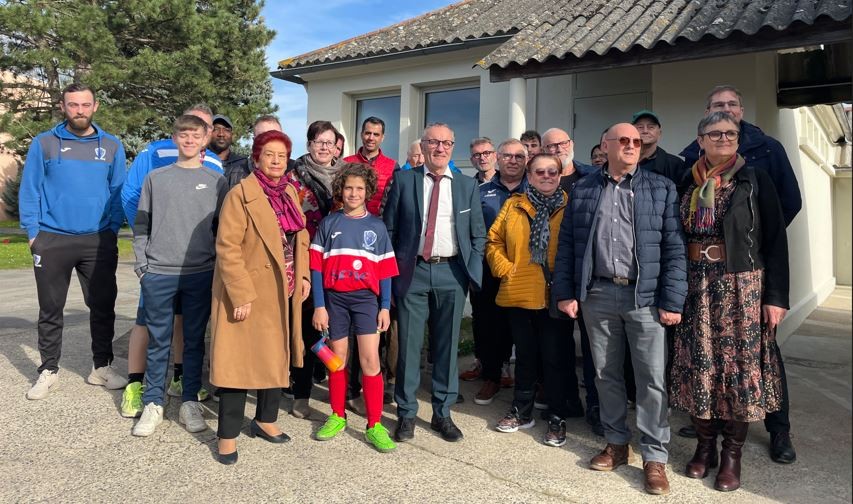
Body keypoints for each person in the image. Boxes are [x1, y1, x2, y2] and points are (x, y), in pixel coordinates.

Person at [553, 123, 687, 496]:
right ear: (606, 145)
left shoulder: (660, 188)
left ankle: (655, 457)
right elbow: (568, 247)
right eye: (623, 141)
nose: (631, 146)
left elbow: (674, 248)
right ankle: (616, 444)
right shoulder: (583, 189)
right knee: (605, 375)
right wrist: (566, 292)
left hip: (644, 299)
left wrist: (672, 300)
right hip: (598, 295)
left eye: (636, 142)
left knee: (651, 381)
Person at [678, 85, 800, 464]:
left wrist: (775, 296)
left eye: (730, 132)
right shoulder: (688, 178)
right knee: (703, 362)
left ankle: (739, 450)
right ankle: (705, 445)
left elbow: (777, 236)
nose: (724, 138)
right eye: (715, 132)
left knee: (746, 364)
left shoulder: (757, 175)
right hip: (697, 283)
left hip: (742, 284)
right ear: (701, 140)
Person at [20, 83, 127, 400]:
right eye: (73, 105)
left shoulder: (111, 146)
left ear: (95, 107)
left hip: (97, 240)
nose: (79, 110)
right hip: (52, 239)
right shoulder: (45, 144)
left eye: (85, 104)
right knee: (50, 309)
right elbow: (30, 191)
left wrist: (110, 230)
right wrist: (32, 235)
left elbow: (119, 192)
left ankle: (101, 367)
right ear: (63, 107)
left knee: (102, 307)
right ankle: (48, 370)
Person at [209, 129, 311, 465]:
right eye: (270, 154)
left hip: (285, 288)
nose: (277, 161)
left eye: (282, 155)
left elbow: (301, 238)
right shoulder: (241, 194)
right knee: (237, 365)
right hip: (251, 291)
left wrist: (305, 275)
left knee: (274, 357)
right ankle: (227, 436)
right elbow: (227, 246)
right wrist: (240, 294)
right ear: (256, 157)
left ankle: (265, 420)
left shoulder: (290, 194)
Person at [383, 122, 486, 442]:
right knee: (409, 347)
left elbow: (478, 233)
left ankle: (442, 413)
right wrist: (394, 274)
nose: (440, 148)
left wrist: (471, 269)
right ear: (424, 147)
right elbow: (389, 230)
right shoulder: (404, 180)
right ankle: (407, 414)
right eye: (433, 143)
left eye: (446, 143)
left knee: (446, 347)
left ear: (452, 147)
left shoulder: (467, 185)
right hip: (413, 273)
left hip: (451, 273)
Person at [119, 104, 221, 418]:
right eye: (184, 134)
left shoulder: (217, 181)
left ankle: (189, 401)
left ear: (206, 139)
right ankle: (153, 403)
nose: (189, 140)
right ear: (175, 138)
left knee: (192, 342)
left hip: (199, 273)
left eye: (196, 135)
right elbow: (142, 225)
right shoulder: (156, 178)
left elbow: (222, 230)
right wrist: (142, 265)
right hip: (159, 273)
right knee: (158, 340)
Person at [486, 153, 584, 448]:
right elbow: (494, 241)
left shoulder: (571, 206)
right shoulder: (513, 205)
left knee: (555, 358)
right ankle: (522, 410)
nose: (546, 176)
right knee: (525, 357)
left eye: (551, 172)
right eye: (539, 172)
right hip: (519, 292)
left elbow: (580, 246)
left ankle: (556, 415)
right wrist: (506, 269)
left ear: (559, 175)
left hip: (556, 295)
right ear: (529, 176)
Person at [309, 163, 399, 452]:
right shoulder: (328, 223)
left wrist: (384, 306)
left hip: (365, 301)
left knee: (370, 360)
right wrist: (319, 306)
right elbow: (316, 269)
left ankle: (374, 424)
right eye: (348, 187)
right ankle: (337, 415)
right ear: (340, 190)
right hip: (334, 299)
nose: (353, 193)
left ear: (368, 192)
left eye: (360, 188)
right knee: (337, 358)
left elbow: (385, 271)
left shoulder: (376, 226)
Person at [285, 120, 345, 418]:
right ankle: (301, 392)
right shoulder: (293, 177)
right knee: (307, 327)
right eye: (318, 141)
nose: (324, 147)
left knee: (342, 328)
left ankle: (345, 392)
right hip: (305, 260)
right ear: (308, 144)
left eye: (329, 142)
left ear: (337, 146)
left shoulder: (348, 176)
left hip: (342, 261)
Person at [469, 139, 527, 404]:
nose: (513, 160)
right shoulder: (480, 190)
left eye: (518, 156)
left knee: (524, 326)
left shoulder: (536, 187)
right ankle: (492, 376)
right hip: (488, 268)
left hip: (527, 270)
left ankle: (530, 382)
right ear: (498, 159)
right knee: (489, 323)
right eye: (507, 156)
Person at [343, 116, 399, 215]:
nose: (371, 138)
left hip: (379, 223)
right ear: (361, 134)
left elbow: (395, 200)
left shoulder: (393, 166)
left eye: (376, 134)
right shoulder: (346, 163)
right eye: (368, 133)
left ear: (382, 138)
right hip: (349, 221)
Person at [632, 110, 685, 183]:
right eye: (640, 127)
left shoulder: (675, 165)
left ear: (659, 133)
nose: (645, 131)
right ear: (631, 132)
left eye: (651, 127)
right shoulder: (621, 161)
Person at [210, 114, 250, 188]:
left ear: (232, 135)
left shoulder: (244, 164)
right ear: (208, 133)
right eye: (216, 129)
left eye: (226, 130)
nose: (221, 134)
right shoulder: (200, 161)